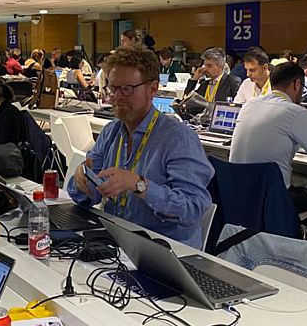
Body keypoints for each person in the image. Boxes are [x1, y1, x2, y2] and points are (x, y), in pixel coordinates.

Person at [67, 47, 214, 248]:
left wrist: (139, 185)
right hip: (117, 241)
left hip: (164, 251)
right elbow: (87, 195)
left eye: (126, 89)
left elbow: (192, 208)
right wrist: (81, 180)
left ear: (153, 89)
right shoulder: (112, 131)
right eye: (112, 88)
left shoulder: (178, 138)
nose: (116, 97)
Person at [229, 62, 307, 234]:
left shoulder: (249, 105)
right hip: (272, 199)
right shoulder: (296, 113)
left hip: (240, 195)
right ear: (297, 84)